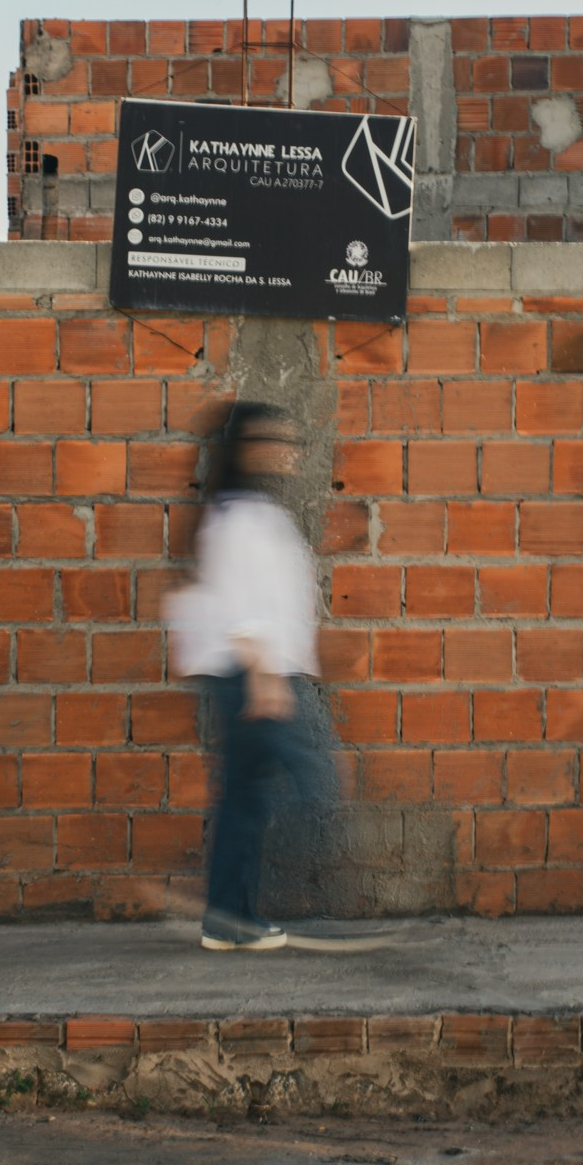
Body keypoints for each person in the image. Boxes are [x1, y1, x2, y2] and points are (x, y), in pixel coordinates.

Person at [166, 401, 336, 951]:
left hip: (257, 672)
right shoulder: (239, 516)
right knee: (306, 784)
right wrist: (266, 677)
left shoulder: (252, 510)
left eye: (290, 440)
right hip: (251, 673)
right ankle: (242, 914)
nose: (287, 451)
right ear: (249, 447)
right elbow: (241, 606)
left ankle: (229, 918)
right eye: (276, 439)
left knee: (246, 795)